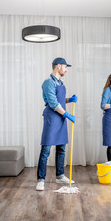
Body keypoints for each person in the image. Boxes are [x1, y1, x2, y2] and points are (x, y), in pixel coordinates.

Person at [36, 57, 77, 191]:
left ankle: (60, 175)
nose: (66, 70)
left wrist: (69, 99)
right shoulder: (48, 83)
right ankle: (41, 179)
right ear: (58, 66)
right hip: (52, 117)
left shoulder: (60, 82)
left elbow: (60, 100)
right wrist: (67, 114)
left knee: (61, 148)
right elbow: (53, 103)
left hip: (60, 118)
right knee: (46, 149)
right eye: (65, 67)